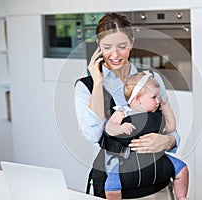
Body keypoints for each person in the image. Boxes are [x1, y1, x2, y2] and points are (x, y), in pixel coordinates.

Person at [74, 12, 189, 199]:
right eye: (107, 47)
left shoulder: (151, 79)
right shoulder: (86, 87)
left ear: (132, 43)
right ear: (98, 46)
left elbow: (168, 127)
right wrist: (97, 82)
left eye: (122, 46)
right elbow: (93, 135)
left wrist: (170, 141)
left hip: (155, 182)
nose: (115, 54)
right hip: (116, 185)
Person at [104, 71, 188, 200]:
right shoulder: (123, 112)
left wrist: (166, 108)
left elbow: (171, 127)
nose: (158, 101)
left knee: (182, 169)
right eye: (154, 97)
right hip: (130, 160)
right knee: (111, 186)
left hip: (158, 158)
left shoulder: (157, 115)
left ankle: (181, 197)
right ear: (138, 98)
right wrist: (120, 127)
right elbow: (109, 128)